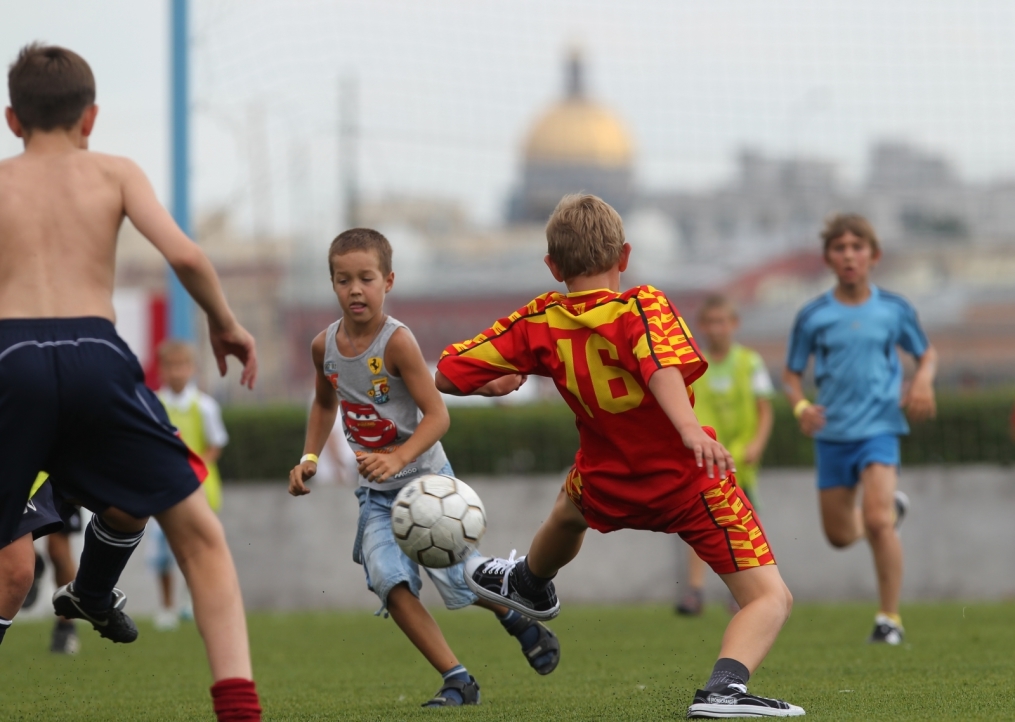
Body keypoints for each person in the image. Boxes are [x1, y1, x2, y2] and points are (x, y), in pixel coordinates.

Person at [436, 194, 803, 718]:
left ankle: (530, 583)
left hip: (605, 483)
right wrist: (689, 429)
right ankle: (724, 688)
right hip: (688, 481)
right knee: (770, 598)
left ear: (552, 266)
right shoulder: (643, 304)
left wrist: (495, 386)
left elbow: (447, 373)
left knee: (567, 511)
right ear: (624, 257)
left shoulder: (539, 319)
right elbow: (659, 368)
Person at [0, 44, 261, 720]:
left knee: (12, 564)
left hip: (11, 360)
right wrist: (225, 323)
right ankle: (239, 709)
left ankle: (89, 590)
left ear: (10, 119)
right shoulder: (114, 171)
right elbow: (185, 253)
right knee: (198, 537)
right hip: (96, 353)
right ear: (90, 119)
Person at [288, 228, 561, 708]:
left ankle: (516, 617)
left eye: (366, 278)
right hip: (376, 497)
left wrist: (397, 456)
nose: (355, 289)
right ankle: (458, 679)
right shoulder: (322, 347)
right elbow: (322, 404)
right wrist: (309, 457)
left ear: (388, 281)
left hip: (430, 487)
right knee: (388, 583)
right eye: (343, 279)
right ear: (332, 283)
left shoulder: (398, 343)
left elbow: (438, 417)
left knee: (460, 580)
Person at [783, 213, 936, 646]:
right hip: (832, 434)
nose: (849, 255)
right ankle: (891, 511)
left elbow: (926, 355)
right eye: (840, 248)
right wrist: (800, 408)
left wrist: (922, 380)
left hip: (880, 428)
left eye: (857, 247)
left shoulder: (894, 309)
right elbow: (792, 376)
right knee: (838, 535)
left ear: (873, 255)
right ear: (829, 258)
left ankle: (889, 619)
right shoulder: (813, 316)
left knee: (875, 520)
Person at [677, 295, 775, 616]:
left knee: (744, 525)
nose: (717, 329)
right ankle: (695, 591)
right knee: (699, 522)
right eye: (711, 322)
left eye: (723, 322)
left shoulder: (751, 362)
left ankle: (743, 592)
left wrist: (757, 442)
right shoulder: (694, 363)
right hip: (705, 455)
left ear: (734, 325)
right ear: (702, 326)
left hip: (741, 459)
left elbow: (765, 409)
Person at [147, 340, 230, 631]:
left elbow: (215, 445)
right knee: (160, 553)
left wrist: (192, 469)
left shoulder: (205, 406)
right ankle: (166, 606)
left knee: (195, 550)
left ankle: (190, 603)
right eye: (171, 366)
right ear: (162, 370)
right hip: (160, 490)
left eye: (182, 365)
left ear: (192, 369)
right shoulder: (153, 404)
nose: (177, 372)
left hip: (198, 490)